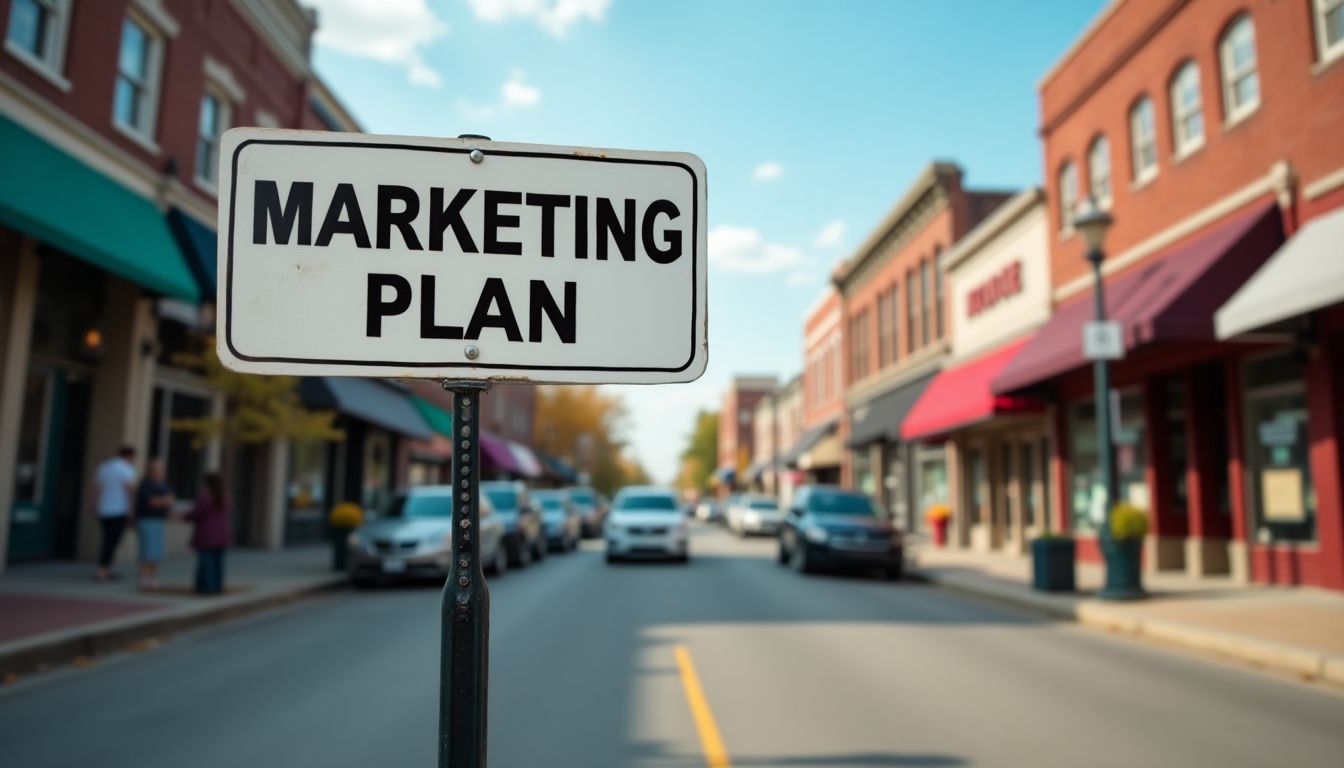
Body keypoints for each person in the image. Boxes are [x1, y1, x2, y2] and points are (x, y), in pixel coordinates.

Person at [92, 445, 137, 582]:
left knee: (107, 540)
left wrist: (93, 506)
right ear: (129, 456)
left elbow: (95, 488)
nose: (134, 460)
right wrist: (132, 512)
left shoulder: (104, 467)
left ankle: (105, 569)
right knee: (112, 542)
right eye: (133, 457)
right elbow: (130, 491)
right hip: (118, 510)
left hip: (104, 509)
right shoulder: (126, 469)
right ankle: (103, 570)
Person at [186, 472, 231, 595]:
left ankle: (207, 587)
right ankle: (216, 587)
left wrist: (183, 517)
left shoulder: (206, 496)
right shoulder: (223, 495)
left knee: (206, 563)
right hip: (221, 534)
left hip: (207, 534)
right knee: (217, 562)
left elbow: (198, 513)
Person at [134, 458, 174, 591]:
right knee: (147, 550)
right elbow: (152, 502)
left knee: (156, 551)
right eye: (157, 469)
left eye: (161, 469)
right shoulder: (146, 484)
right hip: (146, 519)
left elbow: (170, 500)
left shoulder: (164, 484)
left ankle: (152, 576)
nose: (160, 471)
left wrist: (162, 501)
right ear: (151, 470)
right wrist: (163, 501)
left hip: (159, 520)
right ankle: (143, 577)